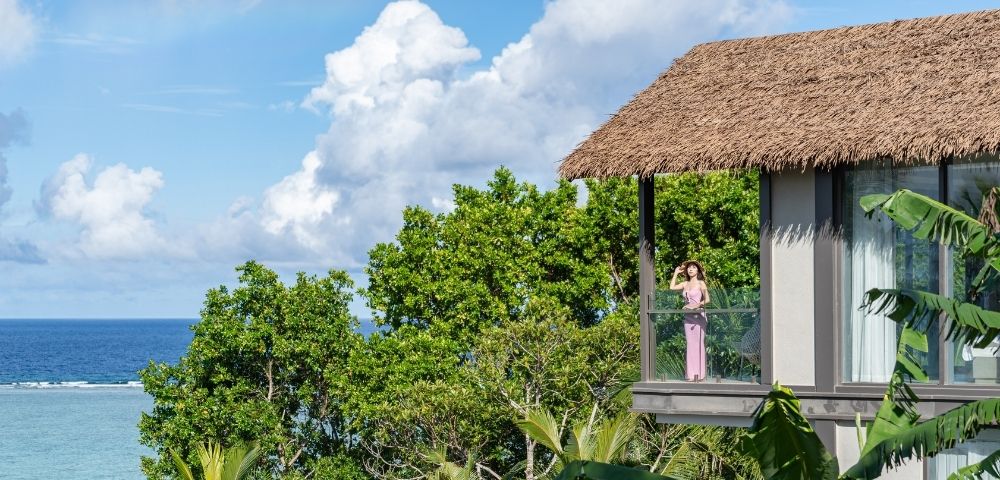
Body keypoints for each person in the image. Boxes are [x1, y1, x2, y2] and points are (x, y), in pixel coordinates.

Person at [669, 260, 710, 382]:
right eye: (689, 268)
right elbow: (671, 288)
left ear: (698, 270)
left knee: (699, 344)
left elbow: (707, 300)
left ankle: (700, 375)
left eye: (693, 267)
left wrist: (695, 306)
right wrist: (676, 273)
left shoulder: (701, 283)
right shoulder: (685, 284)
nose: (690, 269)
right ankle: (691, 375)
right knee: (690, 344)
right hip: (688, 317)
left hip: (699, 316)